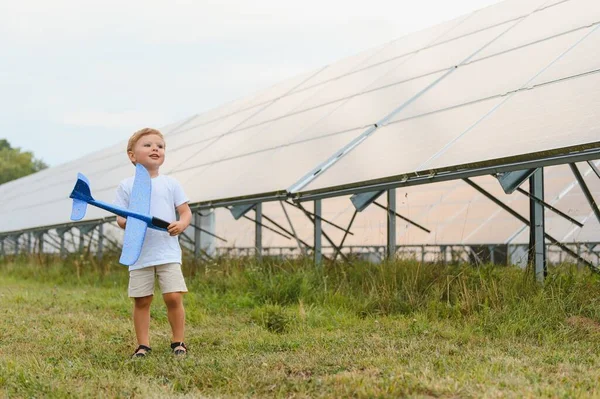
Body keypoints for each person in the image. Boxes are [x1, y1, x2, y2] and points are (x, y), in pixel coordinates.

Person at [114, 127, 192, 358]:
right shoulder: (127, 186)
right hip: (139, 253)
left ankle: (178, 342)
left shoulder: (171, 183)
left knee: (173, 296)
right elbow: (120, 218)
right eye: (147, 145)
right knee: (142, 299)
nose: (155, 148)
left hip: (167, 251)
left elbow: (185, 212)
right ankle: (143, 345)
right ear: (132, 155)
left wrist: (181, 224)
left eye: (159, 145)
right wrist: (129, 222)